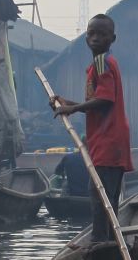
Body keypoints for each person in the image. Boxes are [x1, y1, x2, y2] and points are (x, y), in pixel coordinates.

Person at [50, 14, 132, 242]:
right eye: (91, 33)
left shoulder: (102, 63)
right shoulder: (100, 64)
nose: (95, 38)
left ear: (112, 38)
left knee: (99, 195)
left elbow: (106, 101)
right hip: (109, 139)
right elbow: (97, 106)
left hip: (109, 140)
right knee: (107, 198)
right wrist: (68, 103)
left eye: (101, 34)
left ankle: (100, 243)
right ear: (86, 37)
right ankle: (109, 242)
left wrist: (73, 110)